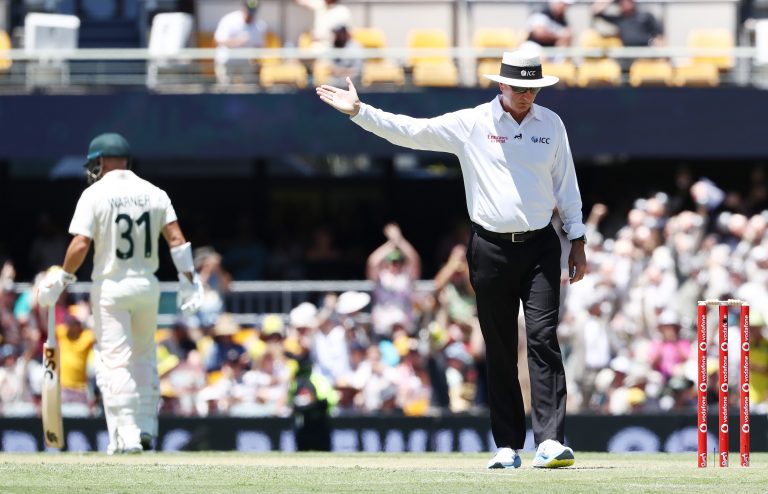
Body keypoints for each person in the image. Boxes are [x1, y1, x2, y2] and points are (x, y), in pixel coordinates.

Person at [315, 49, 587, 469]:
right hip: (490, 248)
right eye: (519, 87)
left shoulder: (551, 125)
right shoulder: (473, 123)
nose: (526, 95)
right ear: (501, 85)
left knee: (542, 340)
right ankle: (509, 446)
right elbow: (410, 131)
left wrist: (578, 238)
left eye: (532, 88)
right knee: (497, 346)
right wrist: (360, 112)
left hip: (540, 246)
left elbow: (565, 184)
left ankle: (550, 441)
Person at [36, 132, 204, 454]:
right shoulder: (154, 192)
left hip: (112, 286)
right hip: (146, 285)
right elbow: (176, 239)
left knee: (116, 361)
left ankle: (127, 433)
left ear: (101, 160)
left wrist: (63, 278)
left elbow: (81, 243)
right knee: (144, 355)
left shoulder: (94, 194)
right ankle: (146, 427)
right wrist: (188, 280)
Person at [214, 0, 268, 85]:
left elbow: (259, 47)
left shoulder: (259, 25)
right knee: (225, 88)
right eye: (248, 10)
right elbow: (218, 40)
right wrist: (238, 42)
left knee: (251, 86)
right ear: (243, 8)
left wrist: (258, 63)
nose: (250, 14)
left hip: (246, 60)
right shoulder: (230, 20)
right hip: (227, 59)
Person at [592, 0, 664, 47]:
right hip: (627, 56)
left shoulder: (646, 15)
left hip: (646, 53)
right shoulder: (619, 19)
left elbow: (659, 35)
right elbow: (595, 11)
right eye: (622, 2)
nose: (624, 3)